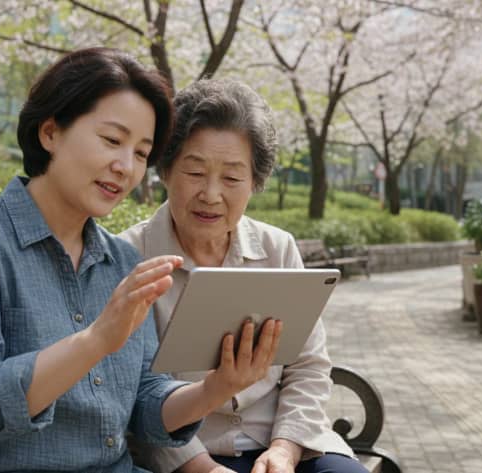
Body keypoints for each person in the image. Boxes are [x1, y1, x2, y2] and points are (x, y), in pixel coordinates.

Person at [0, 49, 283, 473]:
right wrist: (95, 340)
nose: (125, 167)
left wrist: (214, 388)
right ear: (50, 132)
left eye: (141, 153)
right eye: (112, 141)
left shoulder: (118, 260)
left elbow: (144, 402)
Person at [120, 79, 367, 473]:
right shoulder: (128, 258)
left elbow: (309, 366)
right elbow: (132, 395)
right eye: (195, 171)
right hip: (186, 457)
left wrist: (285, 450)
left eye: (233, 179)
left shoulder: (278, 249)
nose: (212, 194)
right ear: (165, 170)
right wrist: (203, 467)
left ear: (255, 183)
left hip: (284, 443)